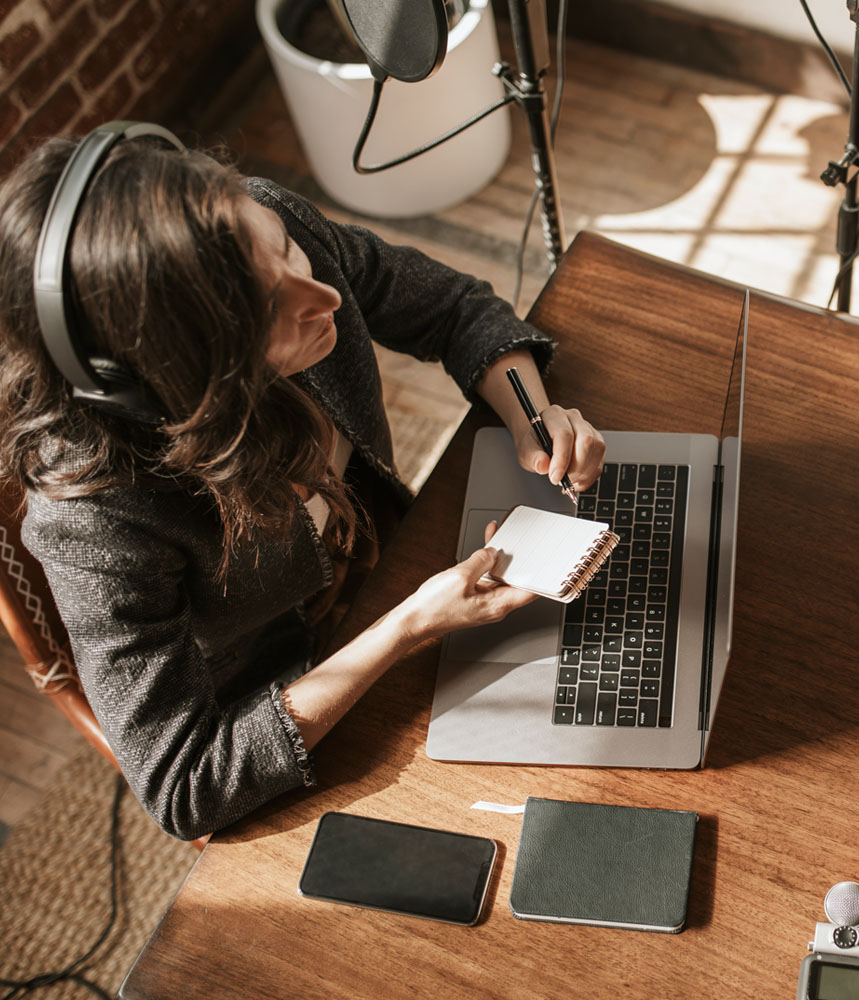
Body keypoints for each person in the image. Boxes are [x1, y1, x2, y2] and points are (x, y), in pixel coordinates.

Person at [0, 130, 605, 840]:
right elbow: (185, 789)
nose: (323, 294)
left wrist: (528, 415)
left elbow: (451, 307)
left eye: (284, 248)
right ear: (174, 373)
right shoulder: (94, 517)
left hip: (403, 563)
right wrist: (408, 625)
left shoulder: (266, 229)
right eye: (265, 310)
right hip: (295, 695)